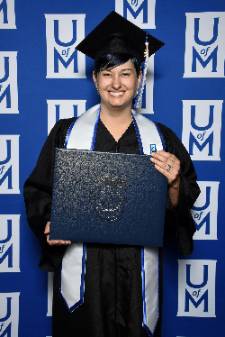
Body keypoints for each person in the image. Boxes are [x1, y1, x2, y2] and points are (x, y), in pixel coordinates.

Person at [24, 11, 200, 337]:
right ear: (95, 80)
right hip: (84, 279)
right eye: (107, 74)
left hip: (137, 275)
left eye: (126, 73)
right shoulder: (65, 133)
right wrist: (48, 222)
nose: (116, 83)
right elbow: (38, 191)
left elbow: (181, 204)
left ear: (139, 78)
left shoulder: (161, 139)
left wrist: (174, 183)